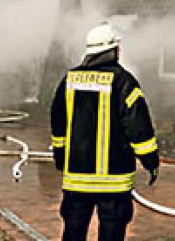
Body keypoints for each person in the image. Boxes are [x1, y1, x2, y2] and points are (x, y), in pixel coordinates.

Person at [51, 22, 160, 241]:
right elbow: (138, 128)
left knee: (73, 229)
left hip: (77, 177)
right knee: (112, 230)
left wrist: (62, 158)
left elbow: (58, 123)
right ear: (114, 50)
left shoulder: (69, 80)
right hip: (114, 179)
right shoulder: (124, 82)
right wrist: (150, 162)